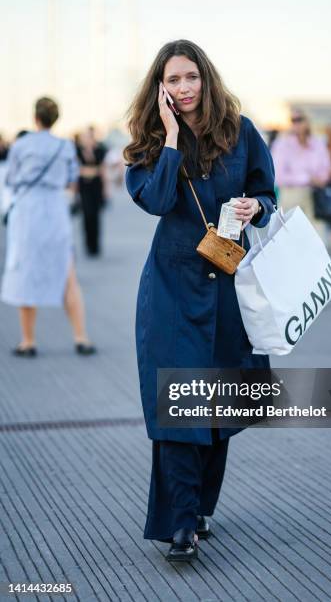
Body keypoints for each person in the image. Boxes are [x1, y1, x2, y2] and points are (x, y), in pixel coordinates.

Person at [124, 39, 276, 561]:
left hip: (229, 286)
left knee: (220, 404)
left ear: (205, 79)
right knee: (178, 406)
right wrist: (170, 139)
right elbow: (157, 200)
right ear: (160, 89)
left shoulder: (241, 131)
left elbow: (268, 195)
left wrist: (256, 204)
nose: (184, 88)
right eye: (173, 80)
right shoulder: (149, 142)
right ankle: (180, 522)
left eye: (191, 77)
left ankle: (200, 505)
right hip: (171, 289)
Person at [1, 97, 96, 356]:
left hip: (27, 211)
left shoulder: (21, 145)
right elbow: (70, 178)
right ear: (56, 118)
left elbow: (10, 178)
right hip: (55, 209)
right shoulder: (65, 146)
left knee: (25, 270)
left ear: (35, 117)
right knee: (67, 272)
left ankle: (28, 341)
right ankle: (81, 337)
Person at [271, 109, 331, 234]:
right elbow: (277, 175)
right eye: (293, 120)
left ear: (307, 122)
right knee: (291, 236)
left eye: (299, 119)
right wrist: (306, 179)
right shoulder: (282, 144)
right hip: (291, 195)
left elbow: (325, 168)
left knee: (317, 236)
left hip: (316, 195)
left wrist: (321, 179)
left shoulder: (318, 143)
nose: (296, 124)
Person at [76, 126, 107, 256]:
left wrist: (106, 189)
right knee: (86, 216)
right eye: (85, 137)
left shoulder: (100, 150)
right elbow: (77, 170)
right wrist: (92, 171)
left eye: (90, 137)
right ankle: (88, 245)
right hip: (84, 189)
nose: (88, 139)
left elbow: (103, 170)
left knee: (96, 217)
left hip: (96, 187)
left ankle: (96, 246)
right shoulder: (77, 151)